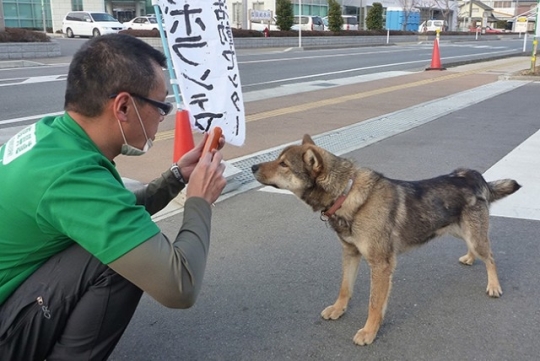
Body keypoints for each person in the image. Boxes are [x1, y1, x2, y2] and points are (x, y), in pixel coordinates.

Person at [0, 34, 227, 360]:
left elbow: (111, 212)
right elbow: (179, 286)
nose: (162, 118)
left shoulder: (52, 136)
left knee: (118, 240)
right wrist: (200, 201)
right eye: (162, 106)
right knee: (121, 259)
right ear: (123, 106)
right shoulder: (73, 177)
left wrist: (177, 177)